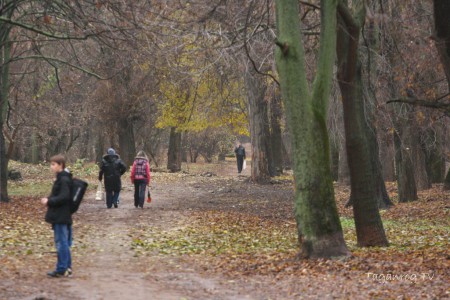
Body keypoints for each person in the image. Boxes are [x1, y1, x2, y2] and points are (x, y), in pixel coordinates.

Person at [41, 154, 73, 278]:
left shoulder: (63, 179)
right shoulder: (62, 178)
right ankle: (67, 268)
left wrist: (49, 201)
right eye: (51, 164)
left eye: (53, 164)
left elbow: (64, 196)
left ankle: (62, 269)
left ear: (61, 165)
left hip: (61, 215)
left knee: (62, 242)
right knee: (63, 242)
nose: (51, 167)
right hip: (62, 215)